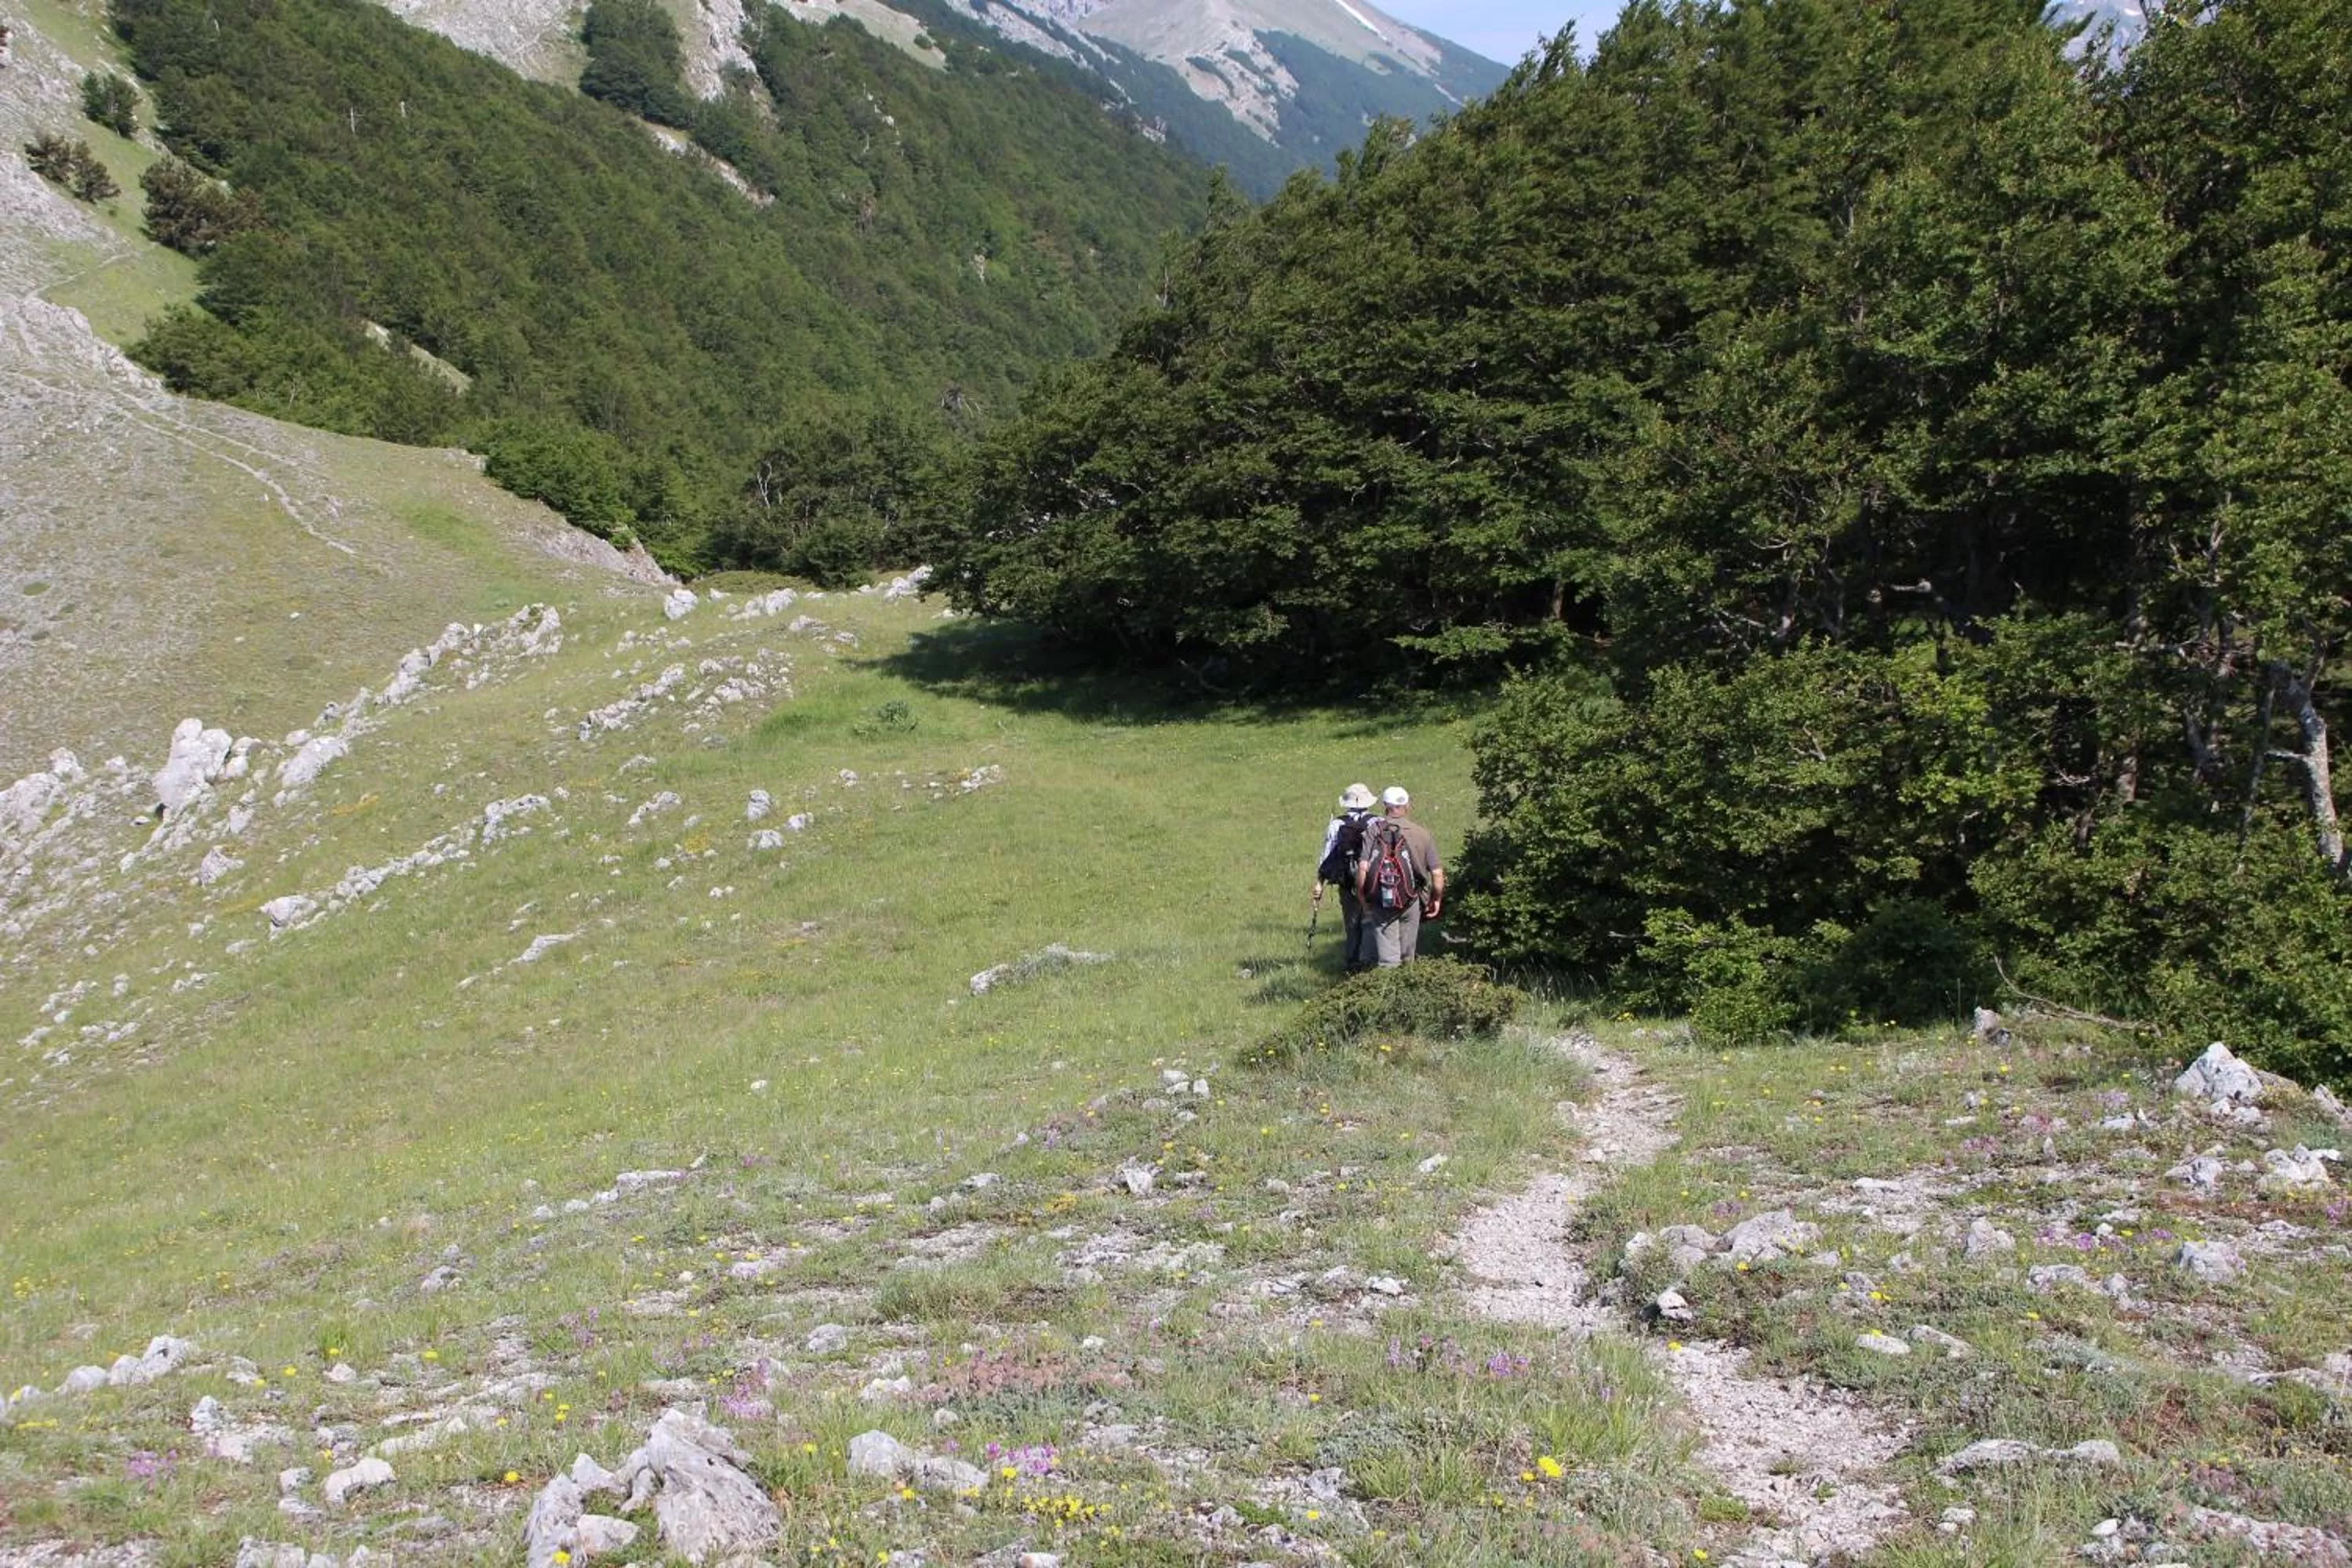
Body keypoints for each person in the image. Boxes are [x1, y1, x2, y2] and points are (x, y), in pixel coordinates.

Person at [1356, 785, 1444, 967]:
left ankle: (1386, 989)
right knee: (1407, 955)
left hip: (1382, 899)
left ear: (1385, 806)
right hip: (1412, 898)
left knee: (1388, 958)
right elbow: (1437, 873)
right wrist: (1436, 899)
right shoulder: (1423, 834)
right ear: (1407, 806)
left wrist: (1363, 897)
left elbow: (1363, 867)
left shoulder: (1374, 831)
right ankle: (1407, 987)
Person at [1313, 783, 1377, 970]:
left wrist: (1319, 883)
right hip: (1373, 880)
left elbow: (1326, 855)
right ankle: (1370, 962)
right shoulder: (1377, 822)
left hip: (1347, 881)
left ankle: (1352, 962)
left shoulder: (1337, 824)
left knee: (1352, 922)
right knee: (1371, 920)